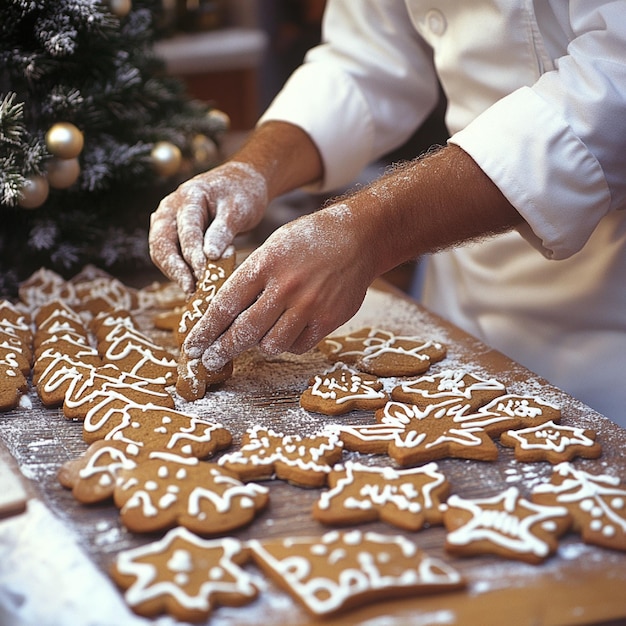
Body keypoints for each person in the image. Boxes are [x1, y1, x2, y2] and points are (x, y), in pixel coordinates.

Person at [149, 1, 626, 429]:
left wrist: (370, 232)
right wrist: (252, 170)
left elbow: (610, 94)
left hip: (608, 329)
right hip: (462, 308)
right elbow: (365, 62)